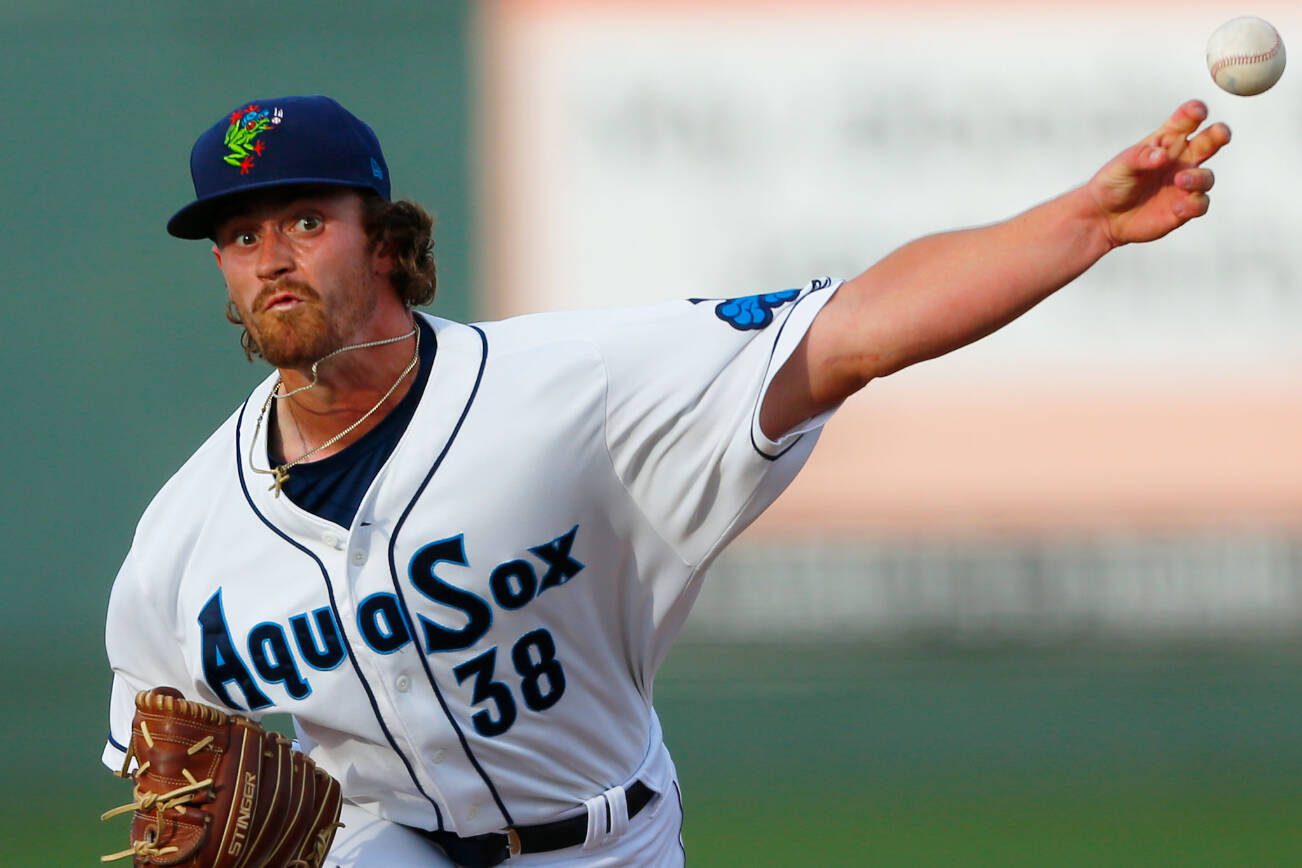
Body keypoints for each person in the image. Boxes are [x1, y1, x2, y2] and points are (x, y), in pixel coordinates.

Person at [101, 94, 1229, 866]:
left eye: (307, 218)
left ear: (385, 241)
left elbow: (853, 332)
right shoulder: (183, 539)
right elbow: (163, 782)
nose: (274, 257)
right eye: (241, 235)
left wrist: (1082, 223)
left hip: (605, 839)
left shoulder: (568, 386)